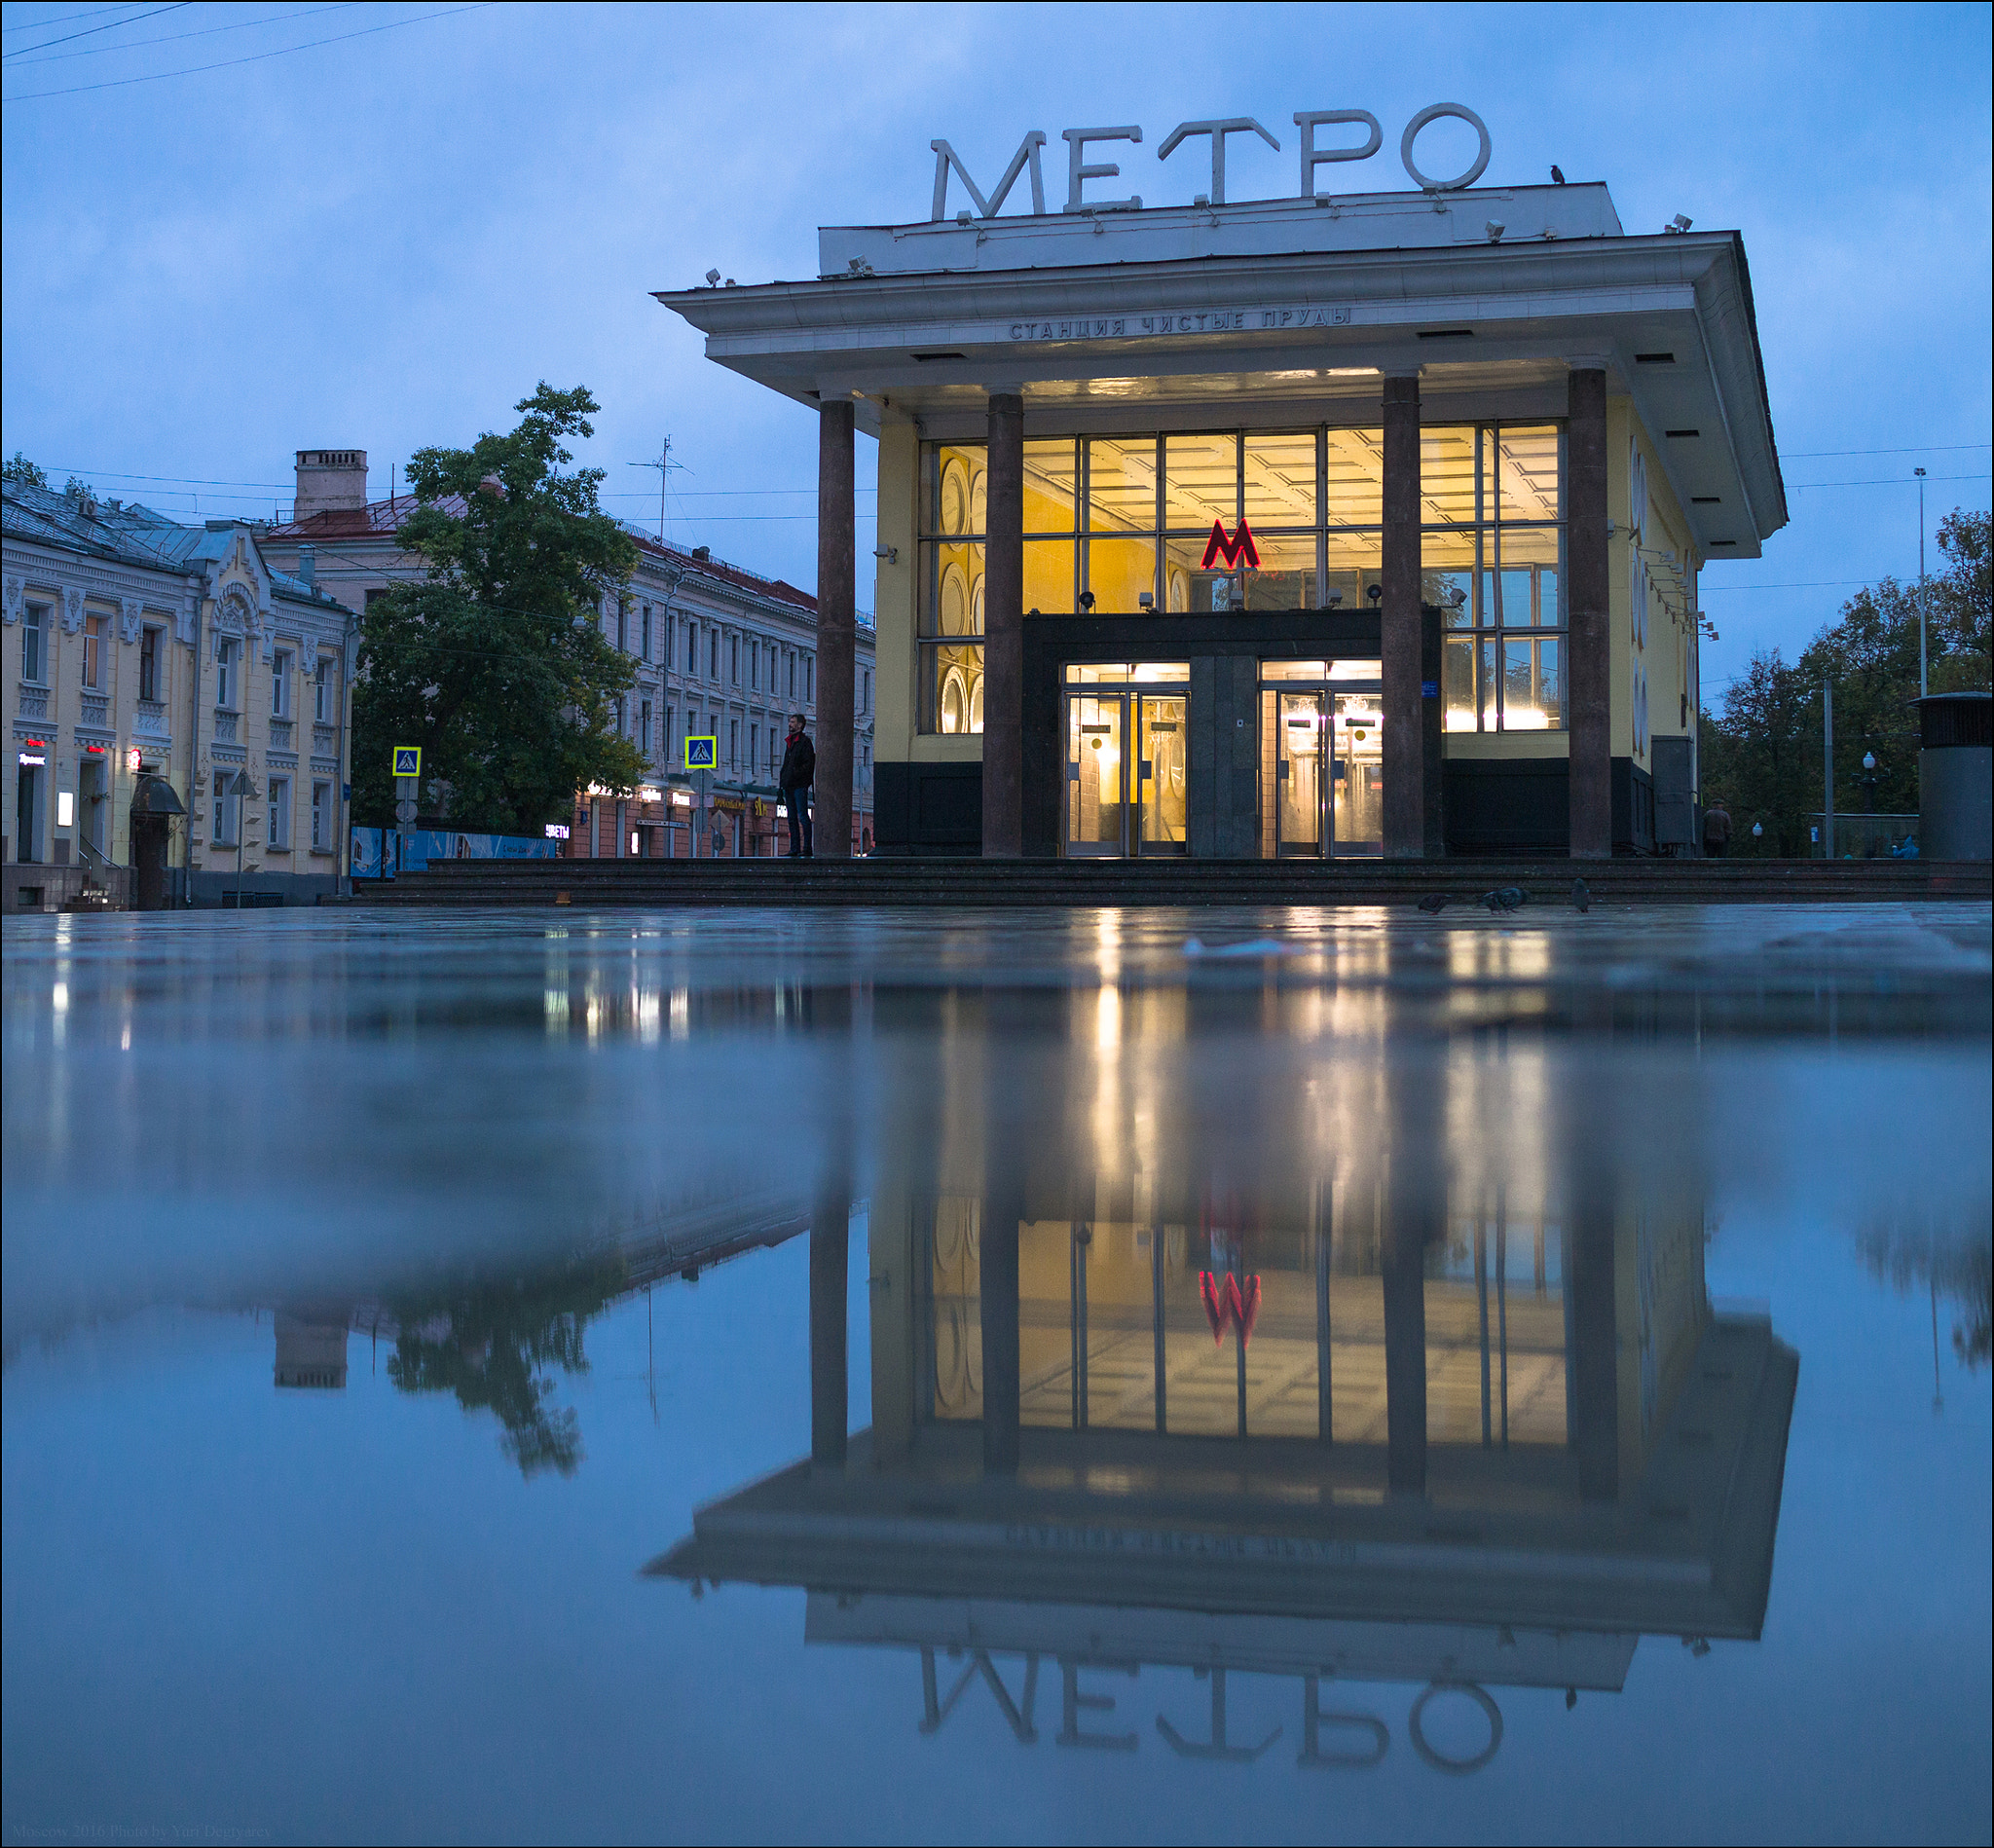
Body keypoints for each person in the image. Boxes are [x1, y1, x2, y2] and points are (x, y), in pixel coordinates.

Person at [779, 713, 815, 859]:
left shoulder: (804, 742)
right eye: (790, 722)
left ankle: (806, 848)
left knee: (802, 816)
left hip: (799, 785)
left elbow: (808, 765)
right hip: (789, 785)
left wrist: (794, 774)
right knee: (791, 818)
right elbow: (786, 764)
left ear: (800, 725)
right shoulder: (791, 742)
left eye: (792, 722)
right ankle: (794, 848)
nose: (790, 724)